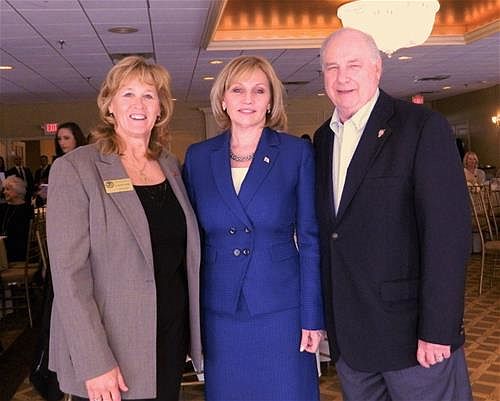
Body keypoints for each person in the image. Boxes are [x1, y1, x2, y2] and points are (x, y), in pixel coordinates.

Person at [314, 28, 472, 401]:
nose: (343, 77)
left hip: (414, 339)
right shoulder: (323, 139)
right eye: (332, 68)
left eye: (353, 65)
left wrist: (439, 328)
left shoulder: (421, 127)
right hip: (352, 342)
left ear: (377, 68)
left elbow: (447, 235)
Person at [46, 55, 202, 401]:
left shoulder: (169, 165)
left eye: (149, 95)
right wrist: (93, 360)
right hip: (111, 347)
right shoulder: (76, 169)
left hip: (168, 337)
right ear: (109, 105)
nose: (139, 104)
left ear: (160, 107)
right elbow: (69, 276)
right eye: (127, 94)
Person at [183, 55, 324, 401]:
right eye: (238, 90)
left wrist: (312, 316)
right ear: (222, 99)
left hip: (282, 309)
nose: (248, 99)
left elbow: (309, 240)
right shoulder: (199, 157)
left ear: (271, 100)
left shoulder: (295, 153)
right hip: (220, 311)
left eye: (259, 90)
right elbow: (191, 240)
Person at [0, 176, 34, 262]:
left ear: (17, 191)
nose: (4, 192)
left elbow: (23, 234)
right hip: (3, 247)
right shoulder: (3, 208)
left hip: (17, 251)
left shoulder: (27, 209)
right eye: (4, 189)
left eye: (7, 189)